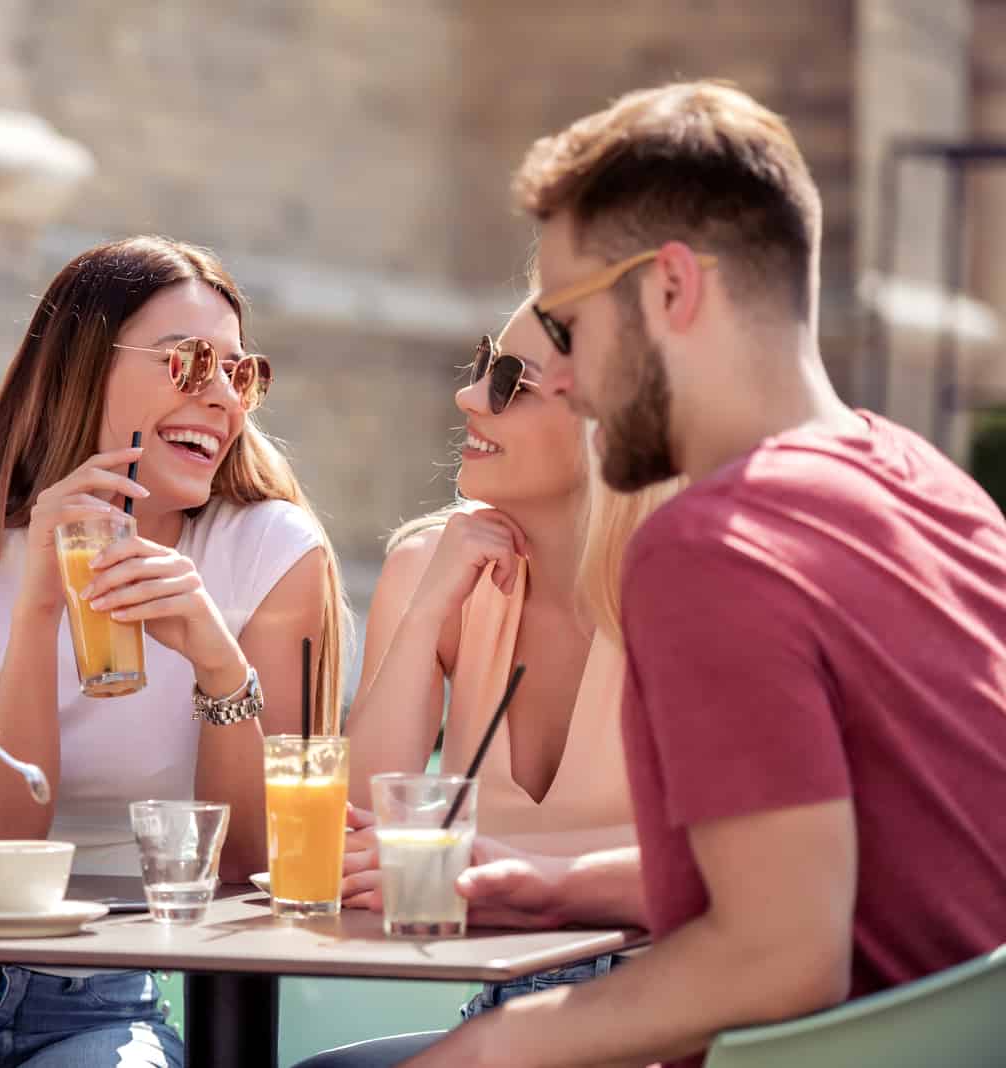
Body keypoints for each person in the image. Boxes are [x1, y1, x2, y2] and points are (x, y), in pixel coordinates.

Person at [398, 81, 1006, 1068]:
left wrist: (482, 1053)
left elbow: (779, 958)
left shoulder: (715, 546)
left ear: (672, 289)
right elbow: (846, 867)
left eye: (571, 326)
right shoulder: (937, 489)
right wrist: (561, 886)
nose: (559, 381)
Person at [0, 234, 347, 1068]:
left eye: (239, 374)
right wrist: (35, 603)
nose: (222, 398)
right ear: (80, 367)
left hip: (99, 1001)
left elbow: (253, 867)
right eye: (188, 363)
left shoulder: (270, 554)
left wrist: (219, 664)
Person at [294, 299, 679, 1068]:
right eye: (481, 364)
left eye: (512, 382)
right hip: (506, 1017)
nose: (470, 396)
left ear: (611, 427)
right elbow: (365, 834)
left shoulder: (691, 588)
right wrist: (433, 596)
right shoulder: (431, 566)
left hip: (673, 1018)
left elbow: (751, 871)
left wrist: (548, 881)